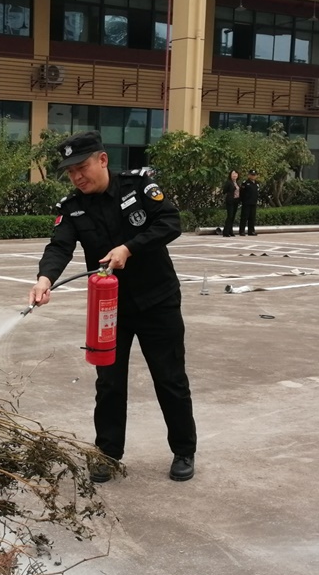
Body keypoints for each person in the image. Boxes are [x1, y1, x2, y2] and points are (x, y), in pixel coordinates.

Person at [28, 131, 197, 484]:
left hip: (158, 301)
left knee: (169, 378)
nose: (77, 176)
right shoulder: (72, 207)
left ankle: (184, 450)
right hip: (109, 308)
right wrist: (44, 279)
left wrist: (129, 248)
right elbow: (59, 246)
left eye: (82, 167)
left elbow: (170, 222)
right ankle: (106, 454)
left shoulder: (139, 187)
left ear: (102, 160)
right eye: (70, 171)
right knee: (109, 383)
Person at [238, 169, 260, 236]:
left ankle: (251, 231)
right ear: (249, 175)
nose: (253, 176)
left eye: (254, 175)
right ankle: (242, 231)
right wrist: (242, 201)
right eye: (252, 175)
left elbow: (257, 193)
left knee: (252, 217)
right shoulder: (245, 183)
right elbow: (242, 193)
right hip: (246, 203)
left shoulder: (257, 183)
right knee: (244, 217)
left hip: (253, 203)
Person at [221, 169, 240, 237]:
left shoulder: (237, 183)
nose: (234, 175)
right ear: (230, 175)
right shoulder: (229, 182)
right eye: (233, 174)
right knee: (230, 216)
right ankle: (225, 231)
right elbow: (224, 191)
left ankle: (230, 230)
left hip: (236, 201)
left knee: (233, 216)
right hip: (230, 201)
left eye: (236, 174)